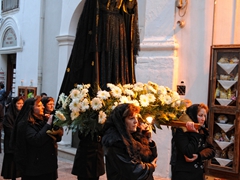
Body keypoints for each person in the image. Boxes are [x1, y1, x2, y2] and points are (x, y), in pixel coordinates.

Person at [59, 0, 140, 94]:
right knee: (102, 57)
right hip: (102, 25)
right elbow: (92, 9)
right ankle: (101, 88)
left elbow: (129, 9)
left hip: (118, 27)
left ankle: (117, 88)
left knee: (116, 57)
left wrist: (130, 3)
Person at [102, 103, 157, 180]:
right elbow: (131, 171)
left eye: (136, 118)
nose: (136, 121)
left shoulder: (135, 135)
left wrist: (148, 139)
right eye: (131, 118)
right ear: (121, 121)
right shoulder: (115, 141)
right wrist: (150, 167)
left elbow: (150, 158)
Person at [12, 96, 59, 180]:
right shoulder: (25, 124)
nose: (43, 107)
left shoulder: (43, 120)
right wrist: (48, 124)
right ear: (31, 109)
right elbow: (36, 140)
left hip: (47, 166)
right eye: (39, 106)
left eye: (42, 105)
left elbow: (57, 138)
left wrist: (55, 125)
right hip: (34, 168)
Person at [172, 103, 215, 180]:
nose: (203, 119)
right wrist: (195, 134)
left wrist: (199, 155)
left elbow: (212, 150)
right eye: (200, 115)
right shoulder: (181, 131)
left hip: (198, 173)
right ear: (193, 115)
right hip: (184, 174)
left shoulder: (202, 130)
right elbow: (189, 152)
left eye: (205, 116)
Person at [1, 96, 24, 179]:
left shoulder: (23, 115)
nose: (21, 105)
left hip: (19, 145)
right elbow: (9, 130)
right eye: (18, 103)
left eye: (22, 103)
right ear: (14, 104)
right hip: (11, 145)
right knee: (11, 168)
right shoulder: (8, 115)